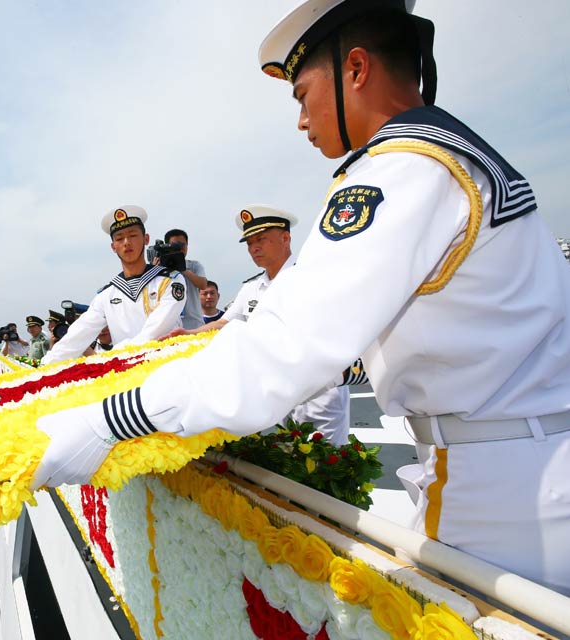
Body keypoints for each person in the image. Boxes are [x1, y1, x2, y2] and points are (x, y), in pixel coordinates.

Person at [31, 0, 570, 595]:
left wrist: (109, 422)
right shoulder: (450, 154)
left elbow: (284, 346)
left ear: (356, 69)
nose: (301, 119)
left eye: (301, 93)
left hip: (504, 490)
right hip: (519, 459)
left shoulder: (402, 171)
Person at [166, 206, 351, 445]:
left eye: (261, 239)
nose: (254, 248)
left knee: (328, 465)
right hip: (278, 394)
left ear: (286, 237)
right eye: (249, 243)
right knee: (290, 463)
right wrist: (189, 333)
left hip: (319, 394)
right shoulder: (252, 288)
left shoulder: (312, 277)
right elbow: (224, 322)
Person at [41, 206, 188, 364]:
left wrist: (112, 356)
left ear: (146, 239)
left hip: (167, 365)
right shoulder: (106, 295)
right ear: (113, 247)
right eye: (119, 238)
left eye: (132, 235)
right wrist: (45, 364)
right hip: (126, 374)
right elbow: (78, 335)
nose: (126, 242)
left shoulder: (170, 281)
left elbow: (155, 331)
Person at [162, 229, 208, 330]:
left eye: (182, 245)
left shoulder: (194, 265)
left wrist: (183, 269)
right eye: (174, 245)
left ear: (187, 246)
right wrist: (156, 268)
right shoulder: (161, 268)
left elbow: (203, 285)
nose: (179, 248)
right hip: (170, 327)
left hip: (194, 325)